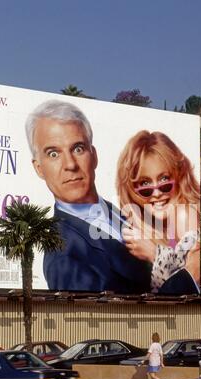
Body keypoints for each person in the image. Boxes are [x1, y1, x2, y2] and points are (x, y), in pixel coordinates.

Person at [25, 100, 152, 293]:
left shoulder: (123, 213)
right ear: (39, 168)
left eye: (78, 149)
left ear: (94, 156)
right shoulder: (62, 256)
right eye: (53, 154)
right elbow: (97, 320)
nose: (70, 164)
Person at [116, 130, 200, 294]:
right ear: (131, 190)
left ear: (179, 175)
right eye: (145, 183)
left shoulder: (184, 214)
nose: (156, 193)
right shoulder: (144, 229)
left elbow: (190, 282)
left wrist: (155, 254)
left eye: (164, 180)